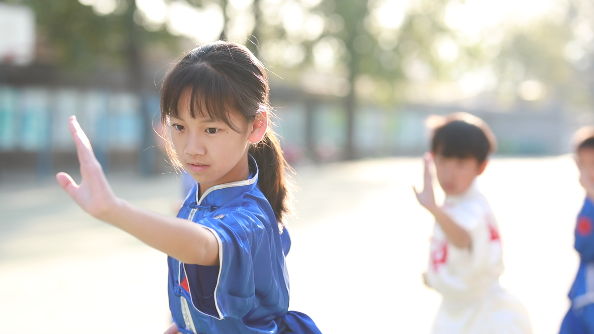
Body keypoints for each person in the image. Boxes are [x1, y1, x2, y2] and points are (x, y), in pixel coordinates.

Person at [56, 41, 322, 334]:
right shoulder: (199, 201)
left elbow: (202, 246)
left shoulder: (250, 216)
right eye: (179, 126)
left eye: (211, 129)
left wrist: (115, 210)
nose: (192, 148)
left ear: (256, 125)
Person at [414, 112, 532, 334]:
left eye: (460, 163)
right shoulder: (453, 204)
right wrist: (433, 277)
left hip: (481, 315)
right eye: (442, 161)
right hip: (455, 310)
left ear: (481, 167)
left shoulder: (472, 207)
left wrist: (434, 209)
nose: (449, 172)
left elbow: (463, 238)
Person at [559, 126, 594, 334]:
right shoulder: (587, 203)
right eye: (585, 165)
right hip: (583, 297)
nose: (590, 172)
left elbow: (586, 247)